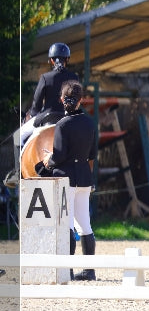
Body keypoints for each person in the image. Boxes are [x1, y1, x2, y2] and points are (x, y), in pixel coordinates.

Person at [39, 80, 98, 281]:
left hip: (66, 179)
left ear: (61, 99)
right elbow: (92, 154)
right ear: (81, 101)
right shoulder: (90, 123)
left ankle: (68, 270)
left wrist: (48, 159)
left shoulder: (62, 125)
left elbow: (60, 156)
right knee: (85, 223)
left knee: (68, 224)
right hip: (84, 177)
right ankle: (89, 271)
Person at [17, 43, 80, 152]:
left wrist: (32, 114)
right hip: (69, 118)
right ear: (67, 59)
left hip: (47, 116)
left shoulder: (45, 77)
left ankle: (20, 168)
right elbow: (77, 101)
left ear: (51, 60)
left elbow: (36, 104)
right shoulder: (74, 78)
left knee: (18, 137)